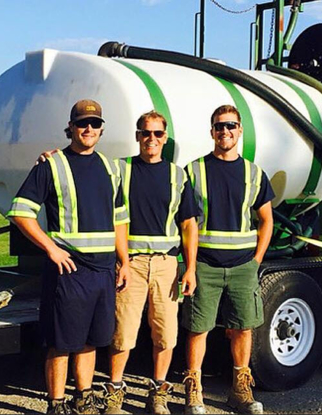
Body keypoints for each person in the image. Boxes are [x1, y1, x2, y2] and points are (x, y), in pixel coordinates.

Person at [7, 99, 130, 415]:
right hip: (69, 271)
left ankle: (84, 398)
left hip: (103, 270)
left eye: (94, 124)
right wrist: (51, 248)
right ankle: (56, 403)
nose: (88, 129)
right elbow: (21, 213)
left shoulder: (111, 168)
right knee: (61, 341)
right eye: (81, 123)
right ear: (71, 127)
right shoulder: (51, 165)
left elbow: (120, 219)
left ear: (102, 129)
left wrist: (124, 261)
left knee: (91, 340)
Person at [101, 110, 199, 414]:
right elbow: (86, 169)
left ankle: (158, 392)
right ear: (137, 136)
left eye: (157, 134)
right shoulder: (121, 170)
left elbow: (188, 225)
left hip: (167, 265)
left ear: (165, 138)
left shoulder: (177, 175)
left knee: (165, 333)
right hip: (130, 264)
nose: (151, 139)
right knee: (123, 333)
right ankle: (115, 391)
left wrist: (190, 268)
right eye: (145, 133)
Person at [181, 105, 274, 415]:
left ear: (240, 131)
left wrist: (256, 261)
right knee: (198, 329)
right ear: (212, 132)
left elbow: (266, 220)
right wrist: (191, 266)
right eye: (219, 127)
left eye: (231, 126)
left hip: (243, 267)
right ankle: (194, 391)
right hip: (205, 266)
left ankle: (240, 390)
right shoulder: (194, 171)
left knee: (243, 328)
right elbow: (187, 223)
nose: (225, 132)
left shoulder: (254, 173)